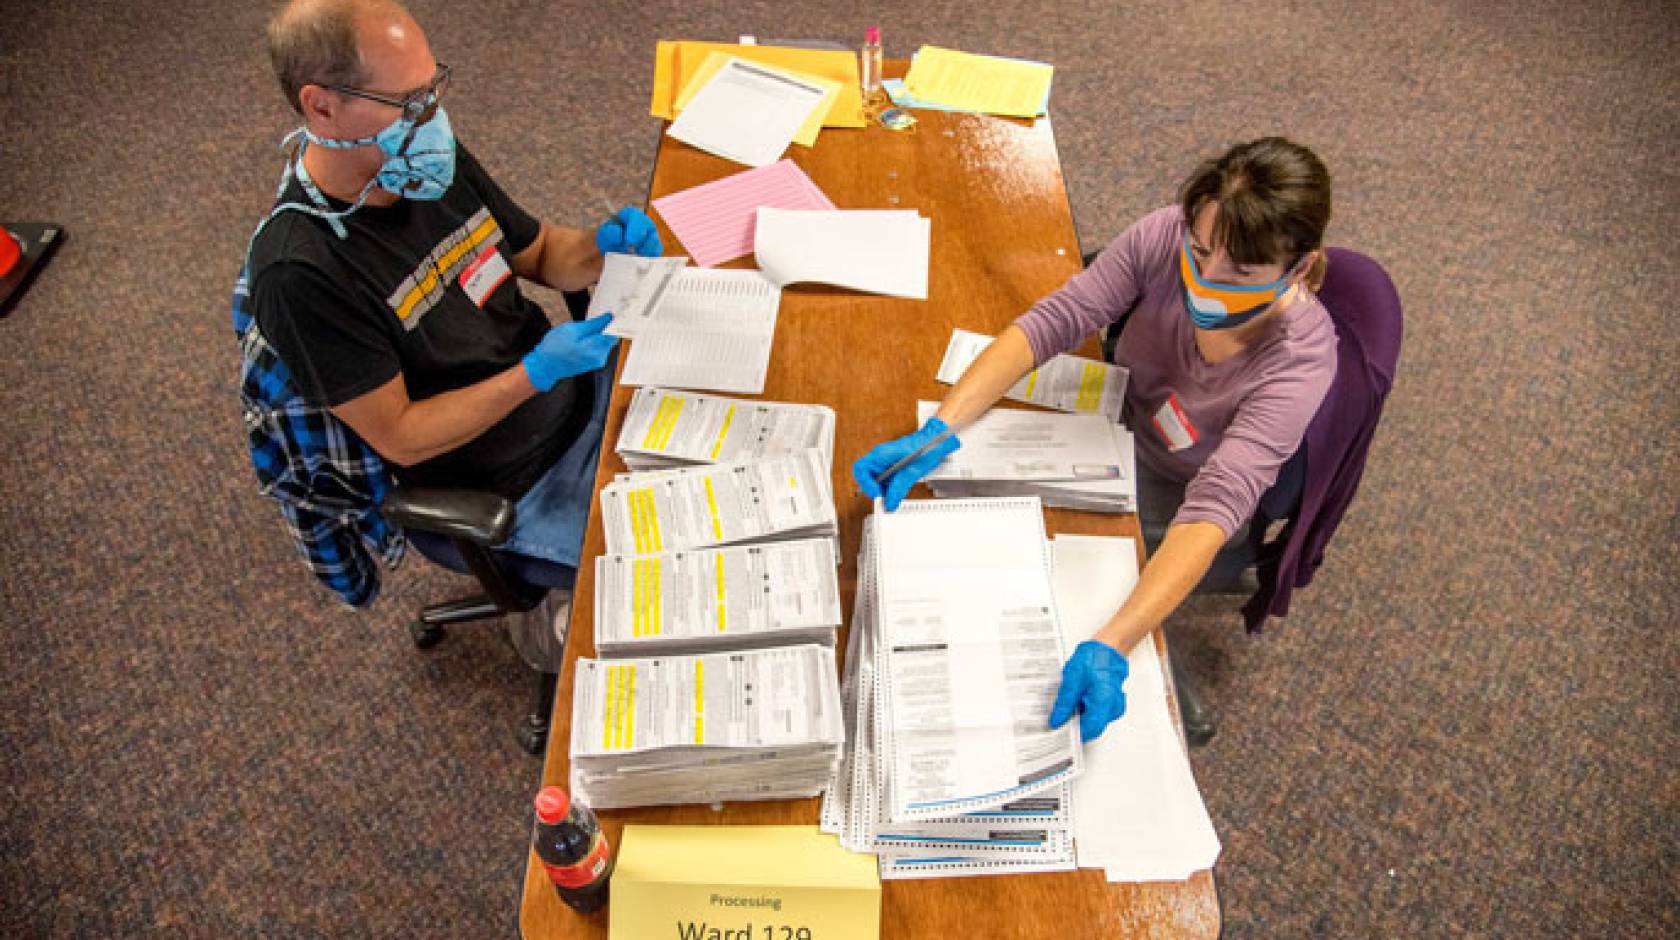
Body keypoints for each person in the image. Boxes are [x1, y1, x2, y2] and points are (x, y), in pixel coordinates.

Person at [854, 137, 1337, 742]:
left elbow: (1217, 503)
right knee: (964, 507)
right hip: (1110, 426)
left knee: (1028, 554)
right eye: (1202, 250)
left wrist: (1113, 644)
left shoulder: (1299, 361)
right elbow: (1057, 319)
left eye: (1240, 270)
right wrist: (941, 425)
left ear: (1299, 268)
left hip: (1182, 484)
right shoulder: (1165, 237)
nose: (1207, 280)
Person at [243, 0, 661, 660]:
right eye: (408, 101)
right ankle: (554, 621)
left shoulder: (423, 160)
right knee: (680, 558)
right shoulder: (301, 272)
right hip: (510, 482)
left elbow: (543, 252)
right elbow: (403, 438)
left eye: (434, 86)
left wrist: (603, 247)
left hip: (579, 391)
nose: (433, 116)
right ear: (320, 106)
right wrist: (533, 374)